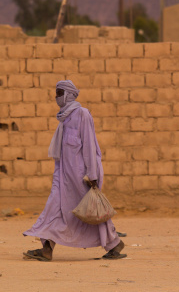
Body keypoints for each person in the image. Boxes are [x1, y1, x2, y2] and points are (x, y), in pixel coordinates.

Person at [23, 80, 126, 261]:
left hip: (80, 177)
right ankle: (46, 249)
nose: (56, 97)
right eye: (55, 93)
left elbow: (89, 146)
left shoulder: (82, 114)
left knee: (91, 212)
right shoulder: (63, 118)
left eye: (59, 93)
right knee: (53, 208)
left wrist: (92, 175)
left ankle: (115, 244)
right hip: (62, 176)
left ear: (69, 94)